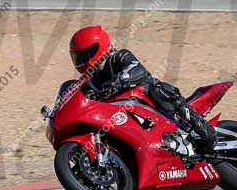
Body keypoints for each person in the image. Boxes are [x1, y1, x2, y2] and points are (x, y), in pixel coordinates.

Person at [68, 25, 217, 154]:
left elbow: (138, 70)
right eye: (77, 57)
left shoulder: (119, 56)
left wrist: (119, 80)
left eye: (83, 56)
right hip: (122, 112)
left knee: (156, 88)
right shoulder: (91, 79)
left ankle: (203, 129)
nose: (81, 61)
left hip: (143, 97)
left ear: (98, 48)